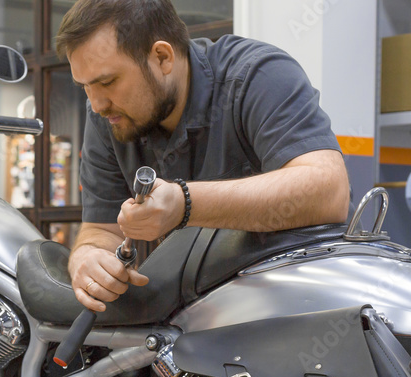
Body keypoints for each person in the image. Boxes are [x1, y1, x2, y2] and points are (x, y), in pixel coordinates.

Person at [58, 0, 351, 311]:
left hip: (298, 301)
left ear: (162, 57)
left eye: (107, 82)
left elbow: (328, 191)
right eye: (85, 87)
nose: (98, 103)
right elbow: (101, 229)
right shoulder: (109, 116)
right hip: (197, 317)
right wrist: (87, 258)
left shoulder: (257, 76)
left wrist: (184, 203)